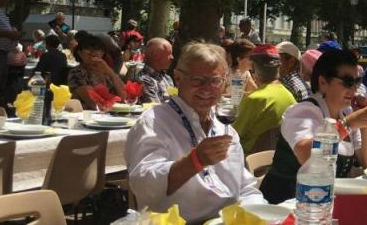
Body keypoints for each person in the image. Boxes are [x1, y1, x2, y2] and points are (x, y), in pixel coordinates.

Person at [126, 42, 266, 222]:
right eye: (198, 80)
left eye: (215, 81)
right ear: (177, 78)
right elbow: (143, 185)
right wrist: (194, 161)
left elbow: (245, 187)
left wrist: (258, 216)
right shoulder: (154, 122)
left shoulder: (224, 127)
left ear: (224, 82)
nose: (207, 89)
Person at [259, 49, 367, 203]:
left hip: (323, 205)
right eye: (347, 81)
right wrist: (350, 123)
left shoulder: (345, 114)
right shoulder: (304, 111)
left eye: (357, 81)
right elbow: (306, 155)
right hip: (285, 205)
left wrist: (365, 124)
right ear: (323, 81)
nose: (353, 88)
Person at [233, 45, 297, 154]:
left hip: (248, 160)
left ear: (254, 69)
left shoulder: (255, 99)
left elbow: (233, 134)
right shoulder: (289, 96)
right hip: (278, 159)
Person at [68, 32, 127, 109]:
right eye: (88, 50)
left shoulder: (106, 72)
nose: (93, 54)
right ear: (79, 53)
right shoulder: (76, 73)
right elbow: (95, 103)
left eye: (97, 50)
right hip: (88, 117)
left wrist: (111, 73)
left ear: (102, 53)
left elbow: (126, 97)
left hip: (111, 114)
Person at [137, 38, 176, 104]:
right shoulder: (144, 80)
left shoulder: (167, 78)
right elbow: (156, 109)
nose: (172, 57)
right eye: (169, 53)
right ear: (156, 55)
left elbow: (175, 100)